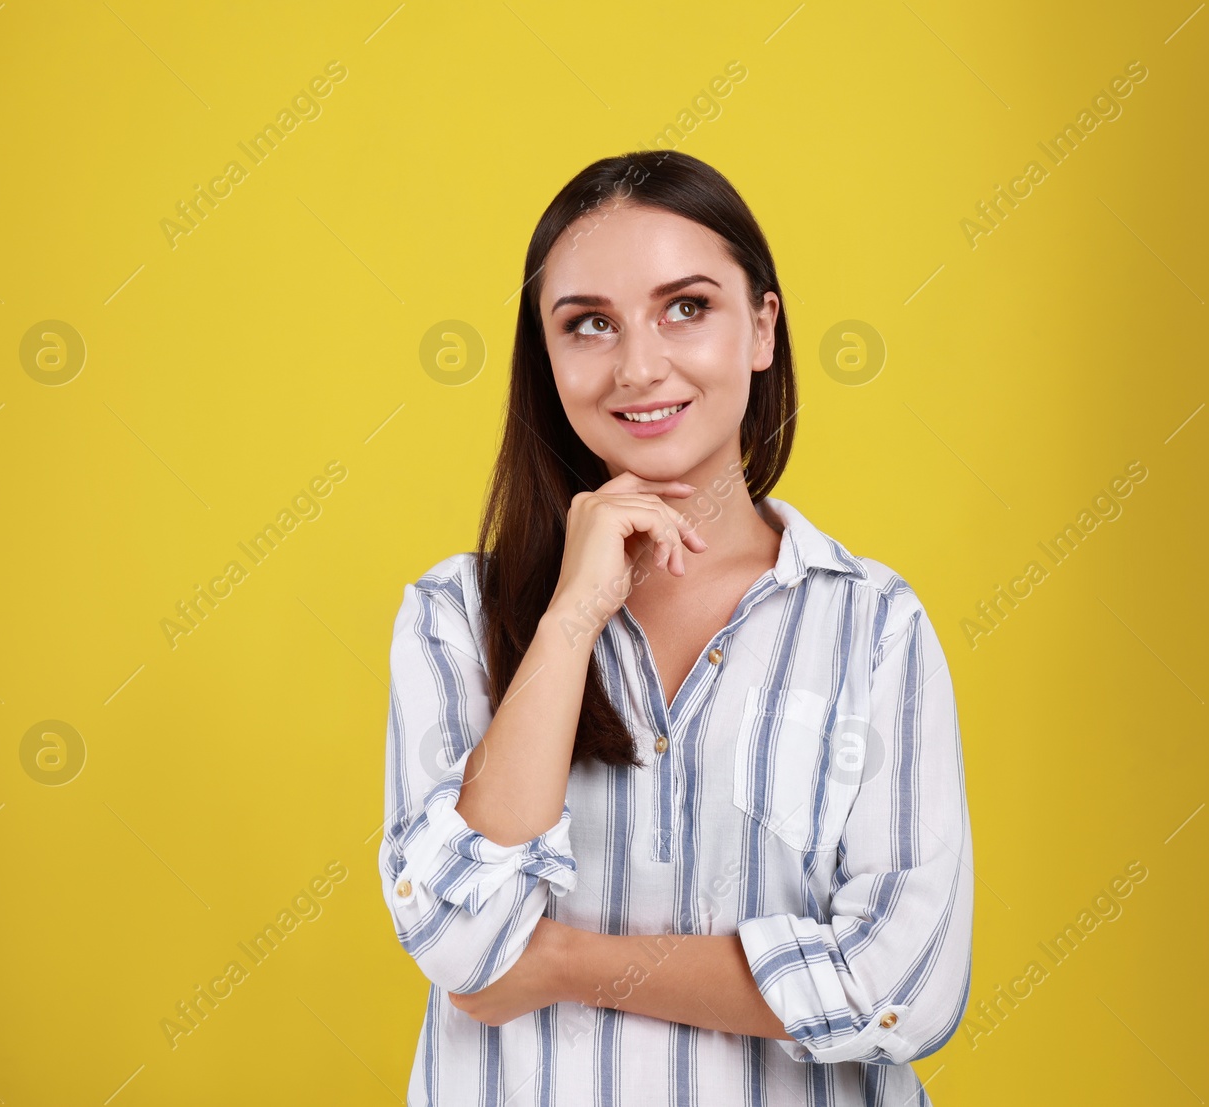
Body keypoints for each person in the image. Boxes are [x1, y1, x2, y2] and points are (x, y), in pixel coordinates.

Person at [379, 149, 973, 1104]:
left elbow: (904, 986)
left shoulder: (872, 627)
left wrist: (567, 962)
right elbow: (463, 937)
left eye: (686, 307)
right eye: (590, 325)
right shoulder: (454, 617)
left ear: (761, 328)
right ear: (548, 356)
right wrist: (571, 617)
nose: (639, 365)